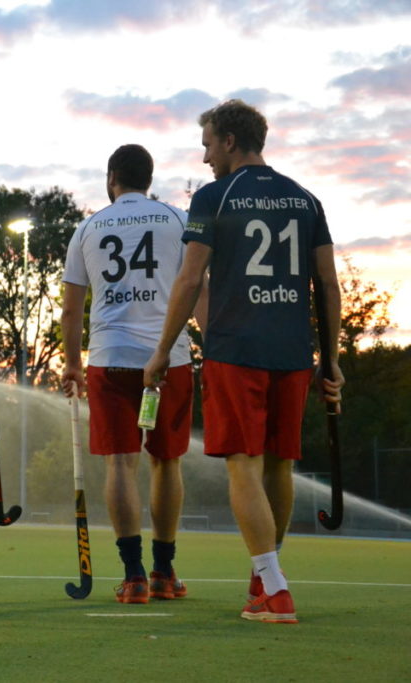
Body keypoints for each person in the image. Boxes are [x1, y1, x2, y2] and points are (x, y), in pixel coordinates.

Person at [143, 99, 343, 624]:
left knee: (244, 465)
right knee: (279, 463)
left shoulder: (214, 195)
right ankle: (264, 578)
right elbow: (328, 284)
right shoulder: (305, 198)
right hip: (293, 350)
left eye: (208, 143)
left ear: (230, 141)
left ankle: (275, 589)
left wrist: (163, 350)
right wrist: (332, 360)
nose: (205, 155)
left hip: (236, 348)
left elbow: (189, 280)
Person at [61, 144, 203, 604]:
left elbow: (70, 310)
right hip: (170, 358)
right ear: (150, 178)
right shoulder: (177, 220)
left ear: (111, 178)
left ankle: (133, 575)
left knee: (121, 462)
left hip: (110, 357)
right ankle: (164, 570)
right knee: (166, 461)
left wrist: (69, 363)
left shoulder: (88, 226)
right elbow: (198, 288)